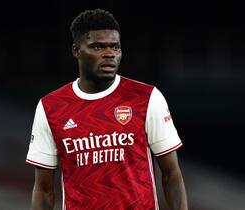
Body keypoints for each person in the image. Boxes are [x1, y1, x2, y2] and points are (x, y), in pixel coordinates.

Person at [26, 8, 188, 210]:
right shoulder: (51, 107)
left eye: (115, 47)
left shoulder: (146, 98)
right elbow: (43, 190)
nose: (109, 54)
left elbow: (171, 174)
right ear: (76, 51)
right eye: (97, 47)